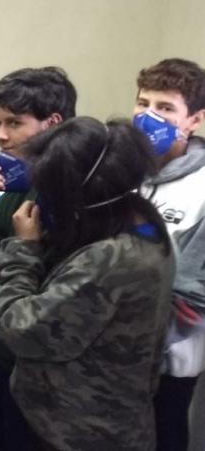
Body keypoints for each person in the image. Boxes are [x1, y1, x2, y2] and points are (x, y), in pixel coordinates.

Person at [0, 117, 175, 450]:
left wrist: (24, 249)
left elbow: (17, 328)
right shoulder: (139, 218)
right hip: (87, 421)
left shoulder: (112, 260)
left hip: (79, 432)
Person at [0, 67, 77, 450]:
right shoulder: (16, 183)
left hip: (38, 363)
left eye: (13, 123)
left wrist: (24, 249)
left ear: (52, 124)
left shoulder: (76, 194)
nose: (0, 134)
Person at [132, 58, 205, 451]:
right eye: (143, 103)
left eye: (165, 108)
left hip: (172, 360)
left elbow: (195, 290)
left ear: (194, 120)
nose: (149, 117)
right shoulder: (125, 171)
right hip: (114, 358)